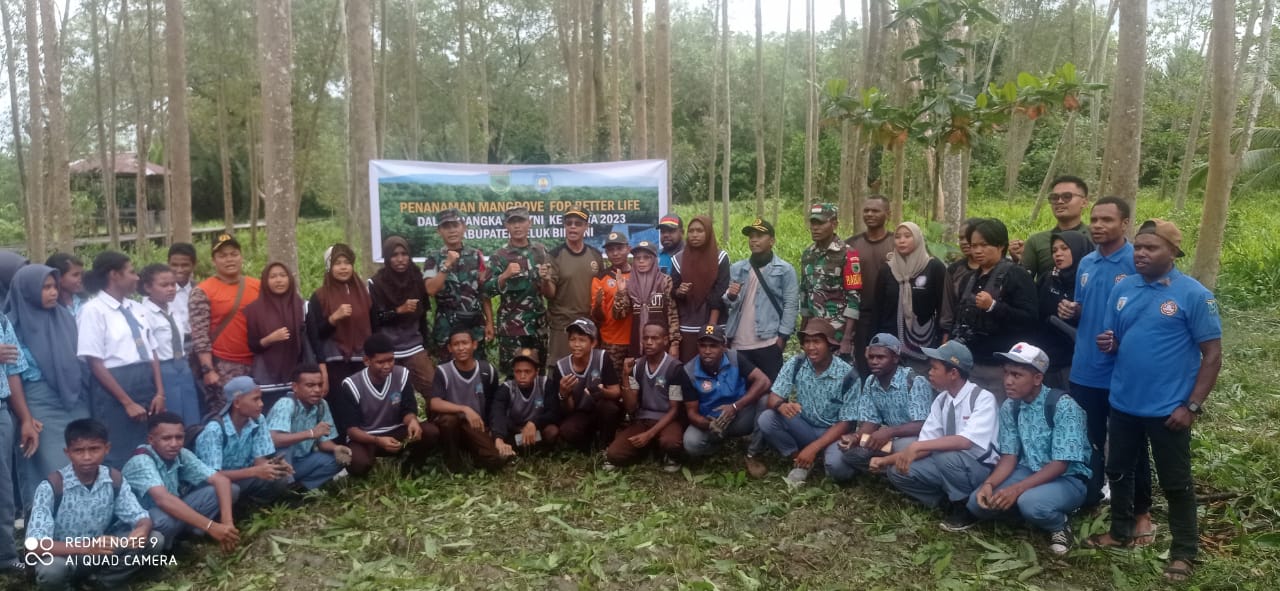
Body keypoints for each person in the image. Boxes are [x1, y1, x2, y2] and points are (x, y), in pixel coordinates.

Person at [1086, 219, 1222, 583]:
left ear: (1174, 252)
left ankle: (1184, 552)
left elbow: (1211, 355)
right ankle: (1120, 531)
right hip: (1124, 401)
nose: (1141, 253)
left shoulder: (1194, 295)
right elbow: (1121, 338)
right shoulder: (1125, 288)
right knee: (1119, 471)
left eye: (1152, 248)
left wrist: (1191, 405)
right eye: (1140, 247)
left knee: (1175, 481)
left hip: (1169, 409)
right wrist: (1111, 344)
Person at [957, 343, 1091, 555]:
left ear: (1037, 378)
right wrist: (989, 484)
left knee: (1031, 503)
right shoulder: (1011, 406)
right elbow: (1009, 456)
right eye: (1006, 373)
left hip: (1068, 477)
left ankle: (1060, 524)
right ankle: (1023, 513)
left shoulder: (1063, 406)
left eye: (1017, 375)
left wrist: (1017, 489)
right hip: (1028, 469)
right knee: (977, 502)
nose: (1008, 381)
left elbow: (1061, 463)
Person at [1063, 196, 1151, 517]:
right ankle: (1090, 494)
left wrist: (1122, 339)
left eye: (1107, 220)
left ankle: (1139, 508)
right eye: (1095, 219)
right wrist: (1073, 310)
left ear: (1125, 223)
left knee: (1133, 442)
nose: (1098, 226)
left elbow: (1151, 316)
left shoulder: (1138, 262)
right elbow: (1087, 308)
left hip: (1123, 371)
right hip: (1085, 367)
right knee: (1088, 438)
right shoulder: (1086, 263)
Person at [25, 419, 164, 590]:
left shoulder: (114, 479)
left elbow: (141, 517)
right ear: (67, 453)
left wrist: (142, 529)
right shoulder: (52, 486)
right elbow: (35, 545)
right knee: (52, 570)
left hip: (101, 552)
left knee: (154, 539)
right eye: (78, 451)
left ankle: (99, 582)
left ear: (107, 448)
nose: (87, 457)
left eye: (94, 449)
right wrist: (86, 548)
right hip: (64, 555)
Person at [876, 341, 1000, 530]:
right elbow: (926, 442)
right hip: (949, 465)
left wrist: (917, 446)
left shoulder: (982, 398)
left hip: (979, 469)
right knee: (898, 472)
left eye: (935, 368)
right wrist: (886, 461)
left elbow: (964, 442)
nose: (929, 372)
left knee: (943, 455)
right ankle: (946, 502)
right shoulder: (942, 400)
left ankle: (966, 509)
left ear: (953, 373)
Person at [6, 265, 89, 505]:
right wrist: (25, 417)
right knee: (53, 464)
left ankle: (89, 522)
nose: (53, 292)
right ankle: (49, 529)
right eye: (45, 287)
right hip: (37, 401)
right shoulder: (12, 326)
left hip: (74, 398)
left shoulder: (63, 317)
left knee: (85, 459)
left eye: (55, 286)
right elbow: (14, 376)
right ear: (28, 290)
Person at [78, 251, 165, 469]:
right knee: (120, 447)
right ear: (114, 275)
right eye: (132, 272)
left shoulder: (136, 308)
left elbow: (151, 350)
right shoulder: (93, 310)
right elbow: (94, 362)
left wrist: (160, 392)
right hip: (115, 385)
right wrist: (126, 402)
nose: (137, 278)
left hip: (146, 380)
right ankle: (124, 497)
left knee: (149, 445)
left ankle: (153, 496)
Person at [756, 319, 858, 486]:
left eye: (817, 341)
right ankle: (801, 460)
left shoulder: (848, 375)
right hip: (805, 426)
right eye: (807, 342)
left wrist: (814, 447)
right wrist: (781, 406)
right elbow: (773, 398)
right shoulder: (797, 363)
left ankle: (817, 455)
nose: (810, 347)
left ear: (830, 345)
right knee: (767, 418)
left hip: (833, 433)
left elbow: (846, 423)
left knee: (838, 470)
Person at [122, 412, 239, 553]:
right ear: (151, 440)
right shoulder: (141, 460)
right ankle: (166, 551)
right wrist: (211, 526)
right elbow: (163, 500)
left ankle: (189, 536)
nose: (174, 444)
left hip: (173, 510)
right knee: (164, 519)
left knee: (230, 490)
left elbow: (221, 480)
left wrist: (227, 523)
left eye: (179, 437)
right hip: (143, 521)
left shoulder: (181, 454)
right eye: (166, 438)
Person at [947, 218, 1037, 398]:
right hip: (970, 362)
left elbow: (1031, 319)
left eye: (984, 245)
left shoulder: (1016, 274)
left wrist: (993, 307)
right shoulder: (969, 278)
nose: (977, 251)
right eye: (974, 246)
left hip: (1000, 367)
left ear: (1000, 246)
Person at [827, 333, 932, 484]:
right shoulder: (871, 382)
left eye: (881, 357)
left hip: (914, 440)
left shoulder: (914, 381)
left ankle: (898, 473)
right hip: (889, 440)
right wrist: (855, 437)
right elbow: (871, 421)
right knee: (850, 453)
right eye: (871, 357)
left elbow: (922, 424)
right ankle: (889, 473)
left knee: (903, 446)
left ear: (895, 358)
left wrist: (889, 432)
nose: (874, 362)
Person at [329, 334, 439, 477]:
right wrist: (377, 440)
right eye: (380, 362)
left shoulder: (402, 374)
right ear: (367, 361)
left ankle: (410, 464)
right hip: (367, 437)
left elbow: (408, 409)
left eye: (391, 360)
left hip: (396, 431)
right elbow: (352, 430)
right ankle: (368, 470)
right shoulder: (351, 385)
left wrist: (412, 421)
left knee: (431, 432)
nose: (387, 366)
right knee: (358, 463)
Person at [681, 325, 773, 474]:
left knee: (765, 400)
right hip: (712, 421)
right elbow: (691, 413)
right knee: (691, 443)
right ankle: (717, 448)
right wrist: (708, 424)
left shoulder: (735, 357)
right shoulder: (688, 371)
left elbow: (764, 381)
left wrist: (735, 407)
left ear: (723, 346)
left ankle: (753, 453)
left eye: (713, 346)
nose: (707, 351)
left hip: (740, 416)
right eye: (703, 346)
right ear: (698, 346)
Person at [193, 377, 293, 509]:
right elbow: (212, 476)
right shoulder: (214, 429)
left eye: (260, 398)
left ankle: (251, 507)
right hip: (214, 484)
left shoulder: (258, 420)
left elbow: (259, 460)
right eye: (255, 399)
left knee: (278, 477)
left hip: (243, 478)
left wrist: (274, 466)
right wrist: (255, 471)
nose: (261, 404)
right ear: (237, 403)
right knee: (231, 489)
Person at [190, 233, 261, 415]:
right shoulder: (203, 291)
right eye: (222, 256)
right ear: (213, 261)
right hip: (224, 366)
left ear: (241, 256)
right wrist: (208, 370)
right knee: (227, 416)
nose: (229, 259)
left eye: (233, 254)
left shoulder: (257, 286)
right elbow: (200, 335)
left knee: (256, 415)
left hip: (257, 363)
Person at [605, 322, 689, 471]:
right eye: (646, 338)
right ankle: (647, 450)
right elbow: (631, 406)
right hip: (643, 419)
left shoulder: (675, 368)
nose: (649, 342)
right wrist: (625, 375)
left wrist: (649, 435)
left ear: (665, 340)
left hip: (667, 420)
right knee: (613, 454)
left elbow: (674, 409)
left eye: (655, 338)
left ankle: (666, 453)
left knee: (670, 442)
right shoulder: (637, 366)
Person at [724, 218, 799, 380]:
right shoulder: (738, 268)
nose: (754, 240)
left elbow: (791, 305)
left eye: (759, 236)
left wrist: (782, 339)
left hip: (768, 343)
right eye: (751, 236)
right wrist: (730, 295)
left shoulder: (785, 270)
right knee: (741, 393)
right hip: (738, 343)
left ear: (772, 241)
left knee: (772, 393)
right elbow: (729, 303)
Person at [484, 208, 550, 375]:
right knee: (514, 376)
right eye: (513, 222)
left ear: (530, 223)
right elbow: (486, 290)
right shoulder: (499, 255)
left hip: (538, 326)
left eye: (521, 221)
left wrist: (546, 278)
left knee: (538, 373)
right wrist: (504, 276)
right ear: (506, 226)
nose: (517, 226)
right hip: (512, 329)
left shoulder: (540, 251)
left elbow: (548, 286)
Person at [429, 329, 507, 472]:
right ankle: (452, 462)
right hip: (453, 427)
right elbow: (434, 402)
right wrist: (465, 409)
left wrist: (494, 432)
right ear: (450, 348)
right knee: (448, 420)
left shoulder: (487, 370)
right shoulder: (443, 371)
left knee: (496, 460)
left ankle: (474, 453)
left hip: (477, 426)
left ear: (474, 345)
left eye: (465, 343)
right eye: (456, 344)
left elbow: (495, 406)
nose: (461, 348)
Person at [0, 290, 39, 574]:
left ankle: (4, 555)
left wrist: (25, 418)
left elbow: (13, 370)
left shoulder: (1, 321)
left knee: (2, 487)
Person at [264, 364, 350, 491]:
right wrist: (310, 433)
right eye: (310, 385)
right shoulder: (286, 404)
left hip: (302, 461)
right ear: (295, 387)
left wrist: (336, 448)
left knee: (335, 461)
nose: (317, 390)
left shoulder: (321, 405)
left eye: (320, 385)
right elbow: (273, 440)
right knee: (285, 448)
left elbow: (323, 441)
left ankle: (299, 490)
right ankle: (283, 488)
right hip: (278, 464)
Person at [136, 263, 202, 427]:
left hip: (182, 367)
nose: (171, 289)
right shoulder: (143, 314)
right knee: (170, 418)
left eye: (173, 284)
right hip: (162, 369)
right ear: (148, 287)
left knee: (192, 415)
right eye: (164, 285)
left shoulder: (174, 309)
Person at [423, 209, 493, 362]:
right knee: (448, 372)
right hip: (447, 326)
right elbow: (430, 289)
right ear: (439, 231)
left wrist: (489, 323)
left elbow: (484, 292)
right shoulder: (433, 258)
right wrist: (446, 265)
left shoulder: (476, 255)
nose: (452, 230)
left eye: (455, 225)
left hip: (473, 325)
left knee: (478, 372)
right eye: (446, 226)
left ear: (464, 227)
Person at [877, 221, 946, 372]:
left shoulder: (934, 267)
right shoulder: (887, 269)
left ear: (918, 238)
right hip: (890, 345)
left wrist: (943, 340)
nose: (902, 240)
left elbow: (943, 307)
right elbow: (878, 309)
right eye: (898, 237)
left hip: (924, 343)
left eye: (907, 236)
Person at [547, 319, 623, 451]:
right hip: (580, 412)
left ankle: (606, 445)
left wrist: (602, 392)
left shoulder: (602, 357)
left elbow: (616, 392)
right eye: (572, 339)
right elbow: (568, 410)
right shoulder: (561, 367)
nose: (576, 344)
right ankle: (589, 442)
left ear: (593, 343)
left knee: (609, 408)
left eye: (582, 340)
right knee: (567, 431)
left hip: (601, 407)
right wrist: (564, 394)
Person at [307, 244, 373, 396]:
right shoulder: (320, 296)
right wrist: (333, 318)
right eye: (337, 263)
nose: (343, 267)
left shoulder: (365, 293)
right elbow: (315, 334)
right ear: (329, 266)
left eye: (347, 262)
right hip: (335, 361)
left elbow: (374, 326)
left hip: (363, 359)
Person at [245, 262, 312, 409]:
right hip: (266, 378)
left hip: (296, 376)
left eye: (283, 275)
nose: (279, 280)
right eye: (273, 276)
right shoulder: (253, 310)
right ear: (265, 281)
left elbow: (310, 343)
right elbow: (253, 345)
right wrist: (270, 339)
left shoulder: (302, 307)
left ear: (290, 279)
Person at [542, 209, 604, 369]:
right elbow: (550, 294)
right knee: (560, 369)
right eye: (569, 223)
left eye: (578, 224)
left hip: (588, 324)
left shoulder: (595, 255)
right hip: (562, 324)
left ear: (586, 227)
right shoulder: (555, 255)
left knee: (589, 370)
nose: (573, 227)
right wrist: (545, 281)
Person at [800, 203, 862, 360]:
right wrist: (803, 331)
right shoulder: (808, 254)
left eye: (820, 223)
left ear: (834, 224)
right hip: (814, 333)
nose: (815, 227)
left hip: (838, 334)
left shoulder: (848, 254)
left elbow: (854, 299)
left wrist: (847, 338)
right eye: (813, 223)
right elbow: (805, 294)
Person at [1035, 232, 1092, 390]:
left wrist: (1077, 313)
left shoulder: (1090, 281)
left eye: (1064, 248)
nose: (1058, 254)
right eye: (1054, 250)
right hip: (1046, 359)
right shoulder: (1048, 278)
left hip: (1076, 361)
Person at [846, 195, 896, 374]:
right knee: (865, 367)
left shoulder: (897, 243)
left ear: (888, 214)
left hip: (893, 318)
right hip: (863, 318)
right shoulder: (852, 245)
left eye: (875, 210)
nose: (869, 214)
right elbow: (849, 285)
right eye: (866, 210)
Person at [670, 215, 730, 362]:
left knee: (714, 367)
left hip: (715, 322)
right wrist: (680, 291)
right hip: (688, 325)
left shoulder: (720, 257)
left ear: (708, 232)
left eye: (699, 230)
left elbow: (720, 290)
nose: (695, 235)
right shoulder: (678, 259)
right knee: (689, 369)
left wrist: (711, 326)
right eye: (691, 231)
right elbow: (673, 291)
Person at [1011, 175, 1092, 283]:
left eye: (1067, 196)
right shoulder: (1037, 241)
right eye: (1054, 198)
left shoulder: (1096, 237)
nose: (1059, 201)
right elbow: (1023, 283)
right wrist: (1017, 261)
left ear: (1084, 202)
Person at [615, 240, 680, 359]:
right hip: (637, 342)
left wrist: (675, 343)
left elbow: (672, 314)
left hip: (661, 343)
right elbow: (619, 315)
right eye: (637, 258)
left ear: (654, 260)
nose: (641, 261)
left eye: (646, 257)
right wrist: (621, 292)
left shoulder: (664, 281)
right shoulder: (629, 284)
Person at [489, 348, 560, 453]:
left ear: (536, 372)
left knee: (552, 431)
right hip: (515, 430)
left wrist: (534, 423)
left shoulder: (545, 384)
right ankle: (514, 448)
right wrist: (499, 438)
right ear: (513, 371)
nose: (522, 376)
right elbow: (497, 412)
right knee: (493, 435)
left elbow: (554, 412)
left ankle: (539, 451)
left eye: (527, 371)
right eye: (518, 371)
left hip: (537, 429)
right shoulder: (507, 388)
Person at [591, 231, 634, 377]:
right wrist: (597, 306)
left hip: (637, 340)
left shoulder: (638, 274)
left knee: (633, 384)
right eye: (610, 249)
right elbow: (598, 318)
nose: (615, 253)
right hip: (611, 342)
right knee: (612, 384)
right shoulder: (600, 278)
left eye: (619, 248)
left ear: (628, 249)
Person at [939, 218, 982, 340]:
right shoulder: (954, 270)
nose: (963, 242)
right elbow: (947, 308)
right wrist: (945, 338)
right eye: (961, 238)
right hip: (958, 336)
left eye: (967, 237)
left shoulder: (998, 270)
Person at [167, 242, 197, 344]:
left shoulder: (201, 291)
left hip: (196, 345)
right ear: (168, 264)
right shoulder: (158, 292)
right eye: (174, 265)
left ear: (193, 265)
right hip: (170, 346)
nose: (179, 270)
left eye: (185, 265)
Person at [45, 252, 85, 317]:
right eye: (75, 275)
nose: (81, 278)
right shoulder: (50, 308)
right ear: (58, 277)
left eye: (82, 274)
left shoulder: (86, 300)